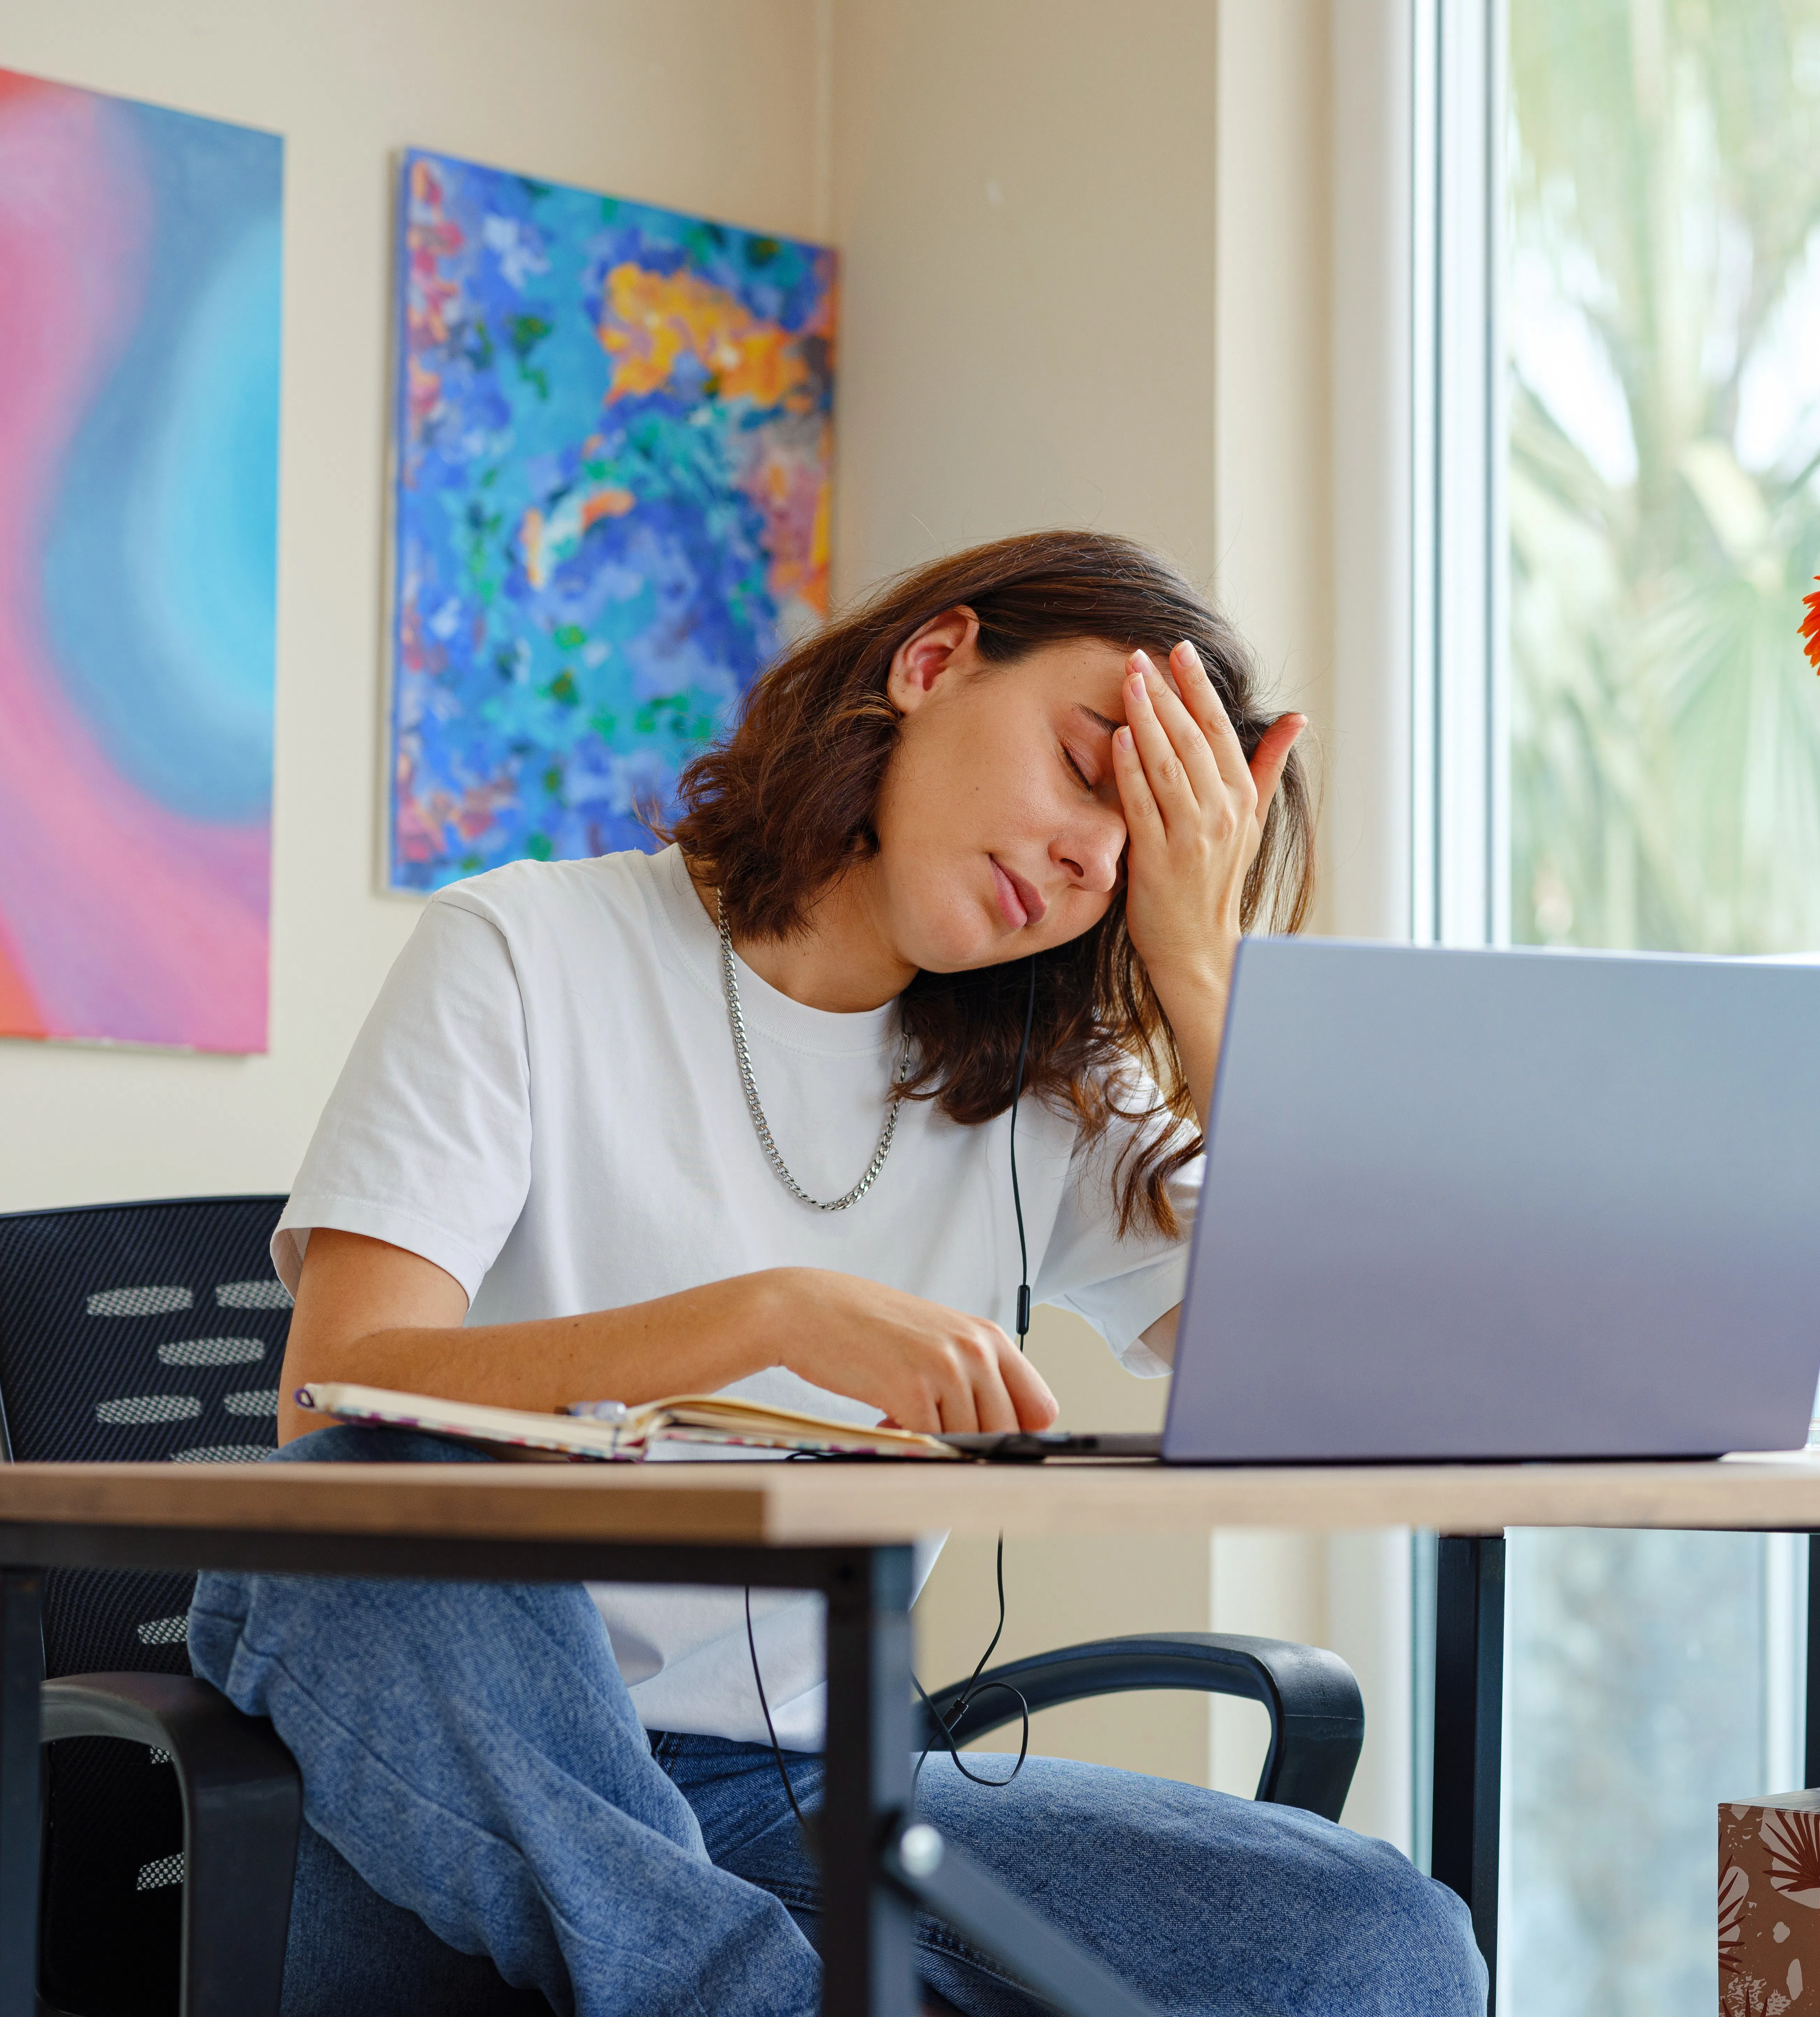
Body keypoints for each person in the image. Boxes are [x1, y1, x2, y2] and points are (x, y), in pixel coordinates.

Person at [188, 530, 1489, 2017]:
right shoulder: (526, 949)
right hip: (452, 1771)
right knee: (367, 1514)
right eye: (1087, 769)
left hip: (805, 1796)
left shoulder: (1046, 1088)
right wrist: (766, 1317)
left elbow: (1347, 1375)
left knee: (1377, 1941)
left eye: (1143, 851)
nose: (1093, 857)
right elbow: (336, 1395)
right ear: (931, 664)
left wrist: (1196, 964)